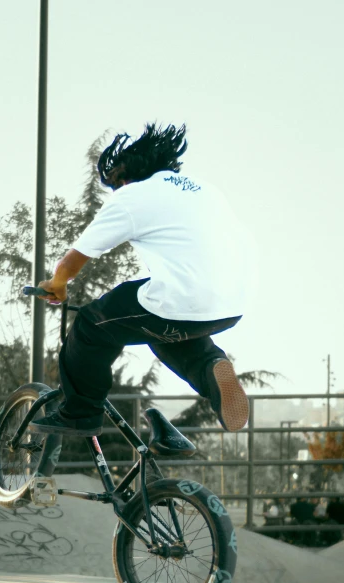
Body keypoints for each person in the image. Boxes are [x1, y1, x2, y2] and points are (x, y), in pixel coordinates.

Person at [31, 123, 255, 437]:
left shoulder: (133, 194)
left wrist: (58, 282)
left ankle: (80, 413)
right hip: (232, 304)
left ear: (122, 178)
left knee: (90, 325)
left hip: (184, 296)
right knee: (160, 329)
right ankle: (210, 368)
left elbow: (76, 256)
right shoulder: (204, 188)